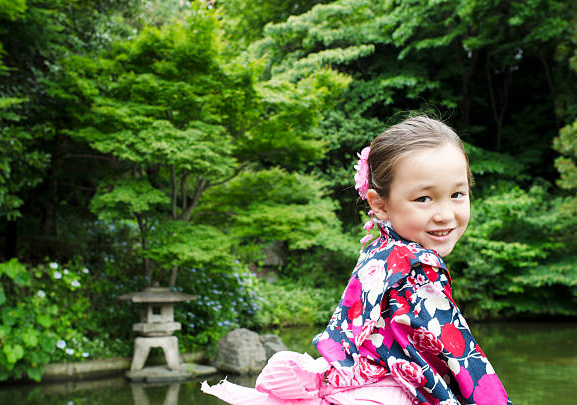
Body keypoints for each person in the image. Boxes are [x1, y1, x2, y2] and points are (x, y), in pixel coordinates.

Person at [202, 115, 512, 404]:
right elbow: (463, 360)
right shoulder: (419, 268)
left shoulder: (378, 253)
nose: (445, 214)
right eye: (424, 198)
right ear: (380, 205)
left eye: (457, 194)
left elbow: (343, 335)